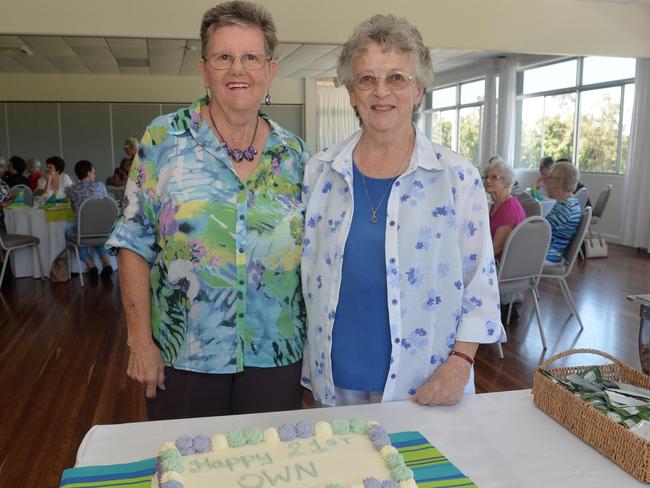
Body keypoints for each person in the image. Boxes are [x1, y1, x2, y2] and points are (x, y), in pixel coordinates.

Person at [106, 1, 310, 420]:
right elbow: (132, 242)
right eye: (224, 57)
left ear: (270, 71)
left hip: (275, 356)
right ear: (204, 69)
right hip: (184, 357)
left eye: (251, 57)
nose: (238, 69)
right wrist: (139, 342)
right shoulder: (164, 140)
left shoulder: (295, 155)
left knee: (266, 472)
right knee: (186, 469)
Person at [301, 14, 504, 408]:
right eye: (367, 79)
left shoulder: (456, 177)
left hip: (426, 383)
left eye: (397, 78)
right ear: (350, 93)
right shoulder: (320, 172)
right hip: (333, 382)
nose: (381, 92)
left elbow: (480, 285)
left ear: (419, 90)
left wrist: (459, 364)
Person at [65, 160, 114, 280]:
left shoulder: (72, 189)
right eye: (94, 172)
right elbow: (107, 204)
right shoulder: (100, 185)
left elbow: (72, 208)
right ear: (88, 173)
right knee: (95, 237)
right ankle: (107, 264)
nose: (95, 175)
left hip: (84, 231)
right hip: (104, 230)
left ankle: (91, 267)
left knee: (72, 233)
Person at [484, 158, 525, 259]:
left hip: (500, 265)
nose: (488, 180)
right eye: (486, 177)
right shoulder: (497, 204)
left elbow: (496, 248)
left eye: (494, 177)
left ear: (506, 182)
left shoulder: (509, 209)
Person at [545, 161, 582, 263]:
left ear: (559, 182)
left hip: (546, 256)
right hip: (551, 253)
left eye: (549, 177)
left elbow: (541, 231)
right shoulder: (572, 202)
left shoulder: (564, 208)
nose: (546, 181)